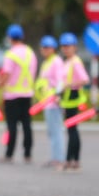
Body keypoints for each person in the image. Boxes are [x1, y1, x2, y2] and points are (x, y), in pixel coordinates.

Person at [0, 24, 37, 163]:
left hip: (12, 95)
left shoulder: (10, 54)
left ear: (9, 37)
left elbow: (6, 75)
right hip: (27, 94)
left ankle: (9, 154)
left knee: (11, 126)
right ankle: (27, 153)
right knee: (26, 125)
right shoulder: (30, 53)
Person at [58, 32, 90, 172]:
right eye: (64, 46)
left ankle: (71, 160)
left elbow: (84, 79)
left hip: (73, 98)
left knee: (72, 130)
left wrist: (69, 85)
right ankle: (73, 160)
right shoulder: (68, 61)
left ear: (74, 47)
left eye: (68, 46)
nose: (66, 49)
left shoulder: (75, 62)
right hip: (68, 99)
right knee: (72, 130)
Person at [35, 36, 65, 168]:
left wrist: (58, 95)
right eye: (44, 47)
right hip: (47, 101)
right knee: (51, 131)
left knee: (56, 130)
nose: (45, 50)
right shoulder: (47, 62)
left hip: (54, 100)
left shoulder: (56, 61)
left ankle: (58, 158)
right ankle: (55, 157)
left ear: (53, 48)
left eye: (48, 47)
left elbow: (60, 80)